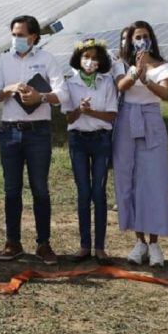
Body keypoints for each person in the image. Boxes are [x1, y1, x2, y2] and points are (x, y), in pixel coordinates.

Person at [0, 15, 68, 265]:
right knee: (11, 190)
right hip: (9, 131)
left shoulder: (47, 60)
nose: (16, 39)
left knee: (40, 189)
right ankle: (13, 243)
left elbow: (62, 94)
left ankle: (43, 244)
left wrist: (40, 97)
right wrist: (9, 89)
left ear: (33, 36)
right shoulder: (3, 61)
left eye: (21, 35)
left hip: (38, 132)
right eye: (14, 34)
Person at [113, 21, 168, 267]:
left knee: (154, 181)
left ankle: (155, 242)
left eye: (145, 35)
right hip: (127, 121)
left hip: (151, 121)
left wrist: (146, 78)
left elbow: (165, 94)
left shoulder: (164, 66)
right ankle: (139, 242)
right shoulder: (121, 64)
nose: (141, 40)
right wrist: (134, 72)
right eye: (136, 36)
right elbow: (121, 86)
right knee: (129, 179)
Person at [61, 38, 118, 265]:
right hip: (78, 141)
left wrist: (90, 112)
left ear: (101, 60)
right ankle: (84, 245)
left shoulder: (107, 83)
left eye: (94, 57)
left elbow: (112, 115)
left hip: (101, 140)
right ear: (78, 59)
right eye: (86, 57)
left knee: (99, 192)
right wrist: (79, 110)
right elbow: (68, 117)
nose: (90, 61)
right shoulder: (70, 83)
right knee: (83, 192)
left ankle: (100, 247)